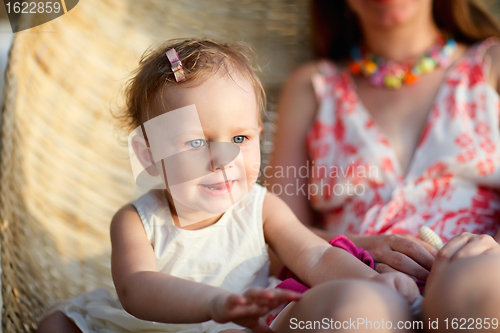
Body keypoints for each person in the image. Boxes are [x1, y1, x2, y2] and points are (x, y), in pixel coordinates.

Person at [35, 39, 419, 333]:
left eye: (239, 139)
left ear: (258, 137)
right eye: (195, 142)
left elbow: (316, 257)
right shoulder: (137, 220)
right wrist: (214, 302)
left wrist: (375, 281)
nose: (224, 160)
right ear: (148, 153)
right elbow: (137, 289)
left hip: (246, 323)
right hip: (156, 325)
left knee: (325, 310)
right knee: (56, 323)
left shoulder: (261, 207)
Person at [267, 0, 500, 328]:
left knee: (476, 290)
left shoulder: (491, 66)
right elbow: (274, 237)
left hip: (481, 271)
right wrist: (360, 248)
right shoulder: (312, 87)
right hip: (355, 277)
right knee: (351, 314)